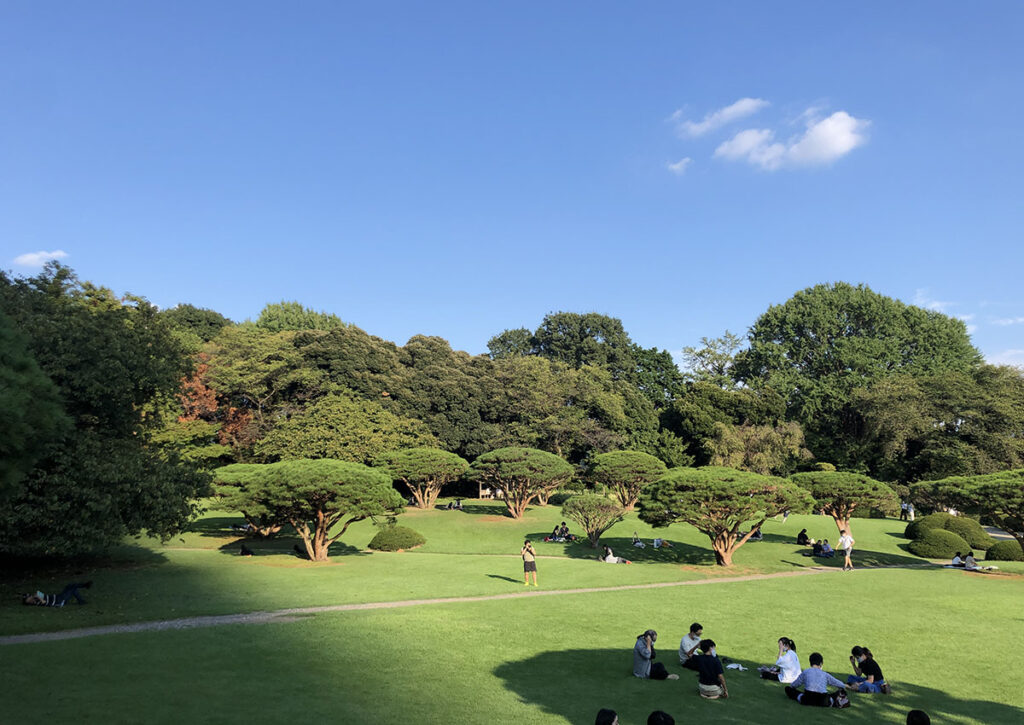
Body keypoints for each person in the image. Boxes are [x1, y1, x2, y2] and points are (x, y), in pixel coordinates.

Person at [785, 652, 849, 707]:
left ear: (810, 662)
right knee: (840, 692)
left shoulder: (806, 672)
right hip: (823, 700)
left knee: (789, 689)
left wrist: (791, 687)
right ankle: (834, 701)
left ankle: (800, 696)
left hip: (807, 699)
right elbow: (837, 683)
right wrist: (845, 686)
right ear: (821, 663)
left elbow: (796, 684)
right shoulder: (824, 674)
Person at [21, 581, 92, 607]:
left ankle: (81, 601)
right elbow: (44, 602)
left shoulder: (35, 598)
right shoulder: (36, 602)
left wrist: (36, 595)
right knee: (72, 588)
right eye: (28, 598)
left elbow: (38, 593)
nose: (30, 597)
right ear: (28, 602)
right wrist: (38, 597)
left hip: (59, 597)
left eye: (29, 596)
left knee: (70, 586)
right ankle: (84, 585)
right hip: (58, 601)